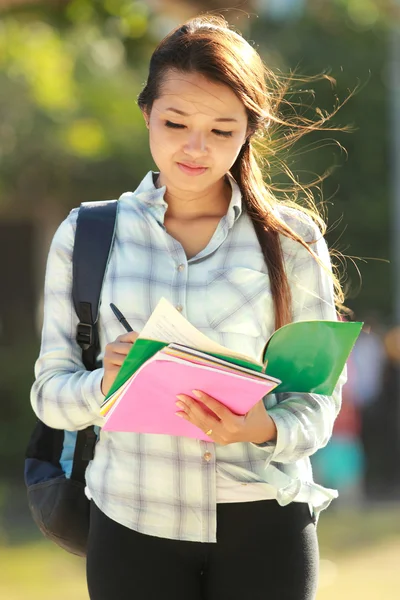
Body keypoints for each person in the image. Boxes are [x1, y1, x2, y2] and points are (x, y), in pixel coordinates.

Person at [30, 15, 348, 600]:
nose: (195, 148)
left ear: (249, 130)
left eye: (222, 130)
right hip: (132, 520)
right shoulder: (88, 234)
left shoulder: (292, 241)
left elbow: (320, 400)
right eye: (176, 122)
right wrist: (106, 383)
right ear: (146, 111)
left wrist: (263, 426)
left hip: (266, 520)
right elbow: (49, 395)